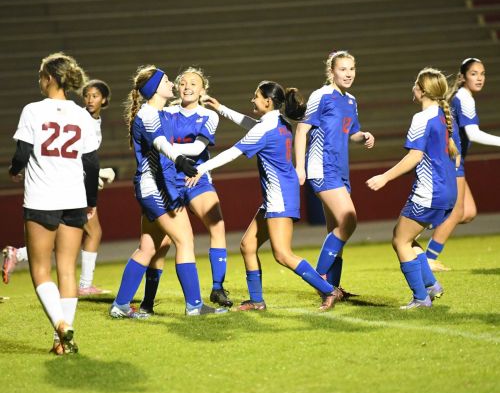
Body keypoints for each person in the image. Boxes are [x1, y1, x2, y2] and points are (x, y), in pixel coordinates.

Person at [189, 81, 338, 311]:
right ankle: (257, 301)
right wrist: (221, 108)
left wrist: (201, 168)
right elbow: (251, 125)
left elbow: (232, 152)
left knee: (283, 254)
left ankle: (329, 290)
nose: (252, 100)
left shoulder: (265, 129)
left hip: (279, 197)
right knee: (248, 245)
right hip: (279, 194)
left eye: (255, 96)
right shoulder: (280, 121)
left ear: (267, 102)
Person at [109, 65, 227, 318]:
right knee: (184, 241)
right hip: (157, 188)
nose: (172, 84)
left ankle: (120, 305)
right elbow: (160, 143)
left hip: (156, 186)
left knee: (147, 248)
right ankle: (194, 306)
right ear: (154, 89)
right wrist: (181, 160)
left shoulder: (160, 113)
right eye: (165, 81)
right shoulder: (149, 114)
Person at [7, 52, 100, 354]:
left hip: (42, 198)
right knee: (67, 270)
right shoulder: (82, 115)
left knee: (40, 270)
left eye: (41, 75)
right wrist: (91, 201)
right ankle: (61, 344)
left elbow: (22, 153)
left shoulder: (33, 110)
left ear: (48, 78)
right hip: (74, 199)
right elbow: (92, 163)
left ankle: (61, 325)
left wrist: (14, 171)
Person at [2, 80, 116, 296]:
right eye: (87, 95)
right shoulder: (80, 118)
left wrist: (96, 173)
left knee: (65, 237)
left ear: (104, 100)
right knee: (91, 233)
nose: (90, 99)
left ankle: (18, 254)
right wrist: (97, 175)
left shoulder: (88, 120)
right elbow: (78, 159)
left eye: (95, 96)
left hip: (67, 184)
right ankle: (84, 285)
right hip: (70, 187)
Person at [366, 67, 459, 309]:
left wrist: (385, 177)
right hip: (447, 191)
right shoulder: (443, 115)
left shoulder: (422, 118)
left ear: (422, 90)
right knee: (405, 237)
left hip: (429, 192)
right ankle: (431, 285)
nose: (413, 87)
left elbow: (415, 157)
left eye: (416, 84)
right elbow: (452, 155)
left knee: (400, 241)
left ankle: (421, 298)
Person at [294, 50, 375, 306]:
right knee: (349, 220)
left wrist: (364, 136)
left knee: (336, 230)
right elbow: (302, 130)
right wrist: (300, 167)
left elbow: (352, 132)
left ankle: (333, 288)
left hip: (340, 171)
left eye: (352, 69)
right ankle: (320, 280)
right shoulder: (321, 95)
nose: (348, 74)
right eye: (343, 69)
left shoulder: (350, 100)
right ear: (332, 72)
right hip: (322, 168)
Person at [425, 57, 500, 271]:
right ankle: (428, 258)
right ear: (463, 77)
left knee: (468, 212)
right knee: (457, 212)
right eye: (474, 73)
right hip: (451, 160)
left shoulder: (462, 96)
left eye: (482, 74)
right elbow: (473, 134)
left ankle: (426, 222)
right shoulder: (464, 98)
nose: (479, 78)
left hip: (454, 160)